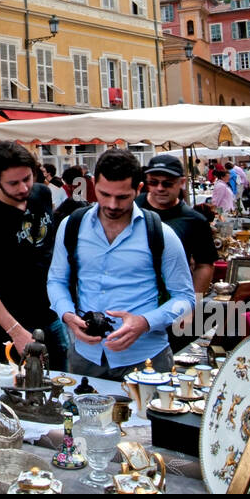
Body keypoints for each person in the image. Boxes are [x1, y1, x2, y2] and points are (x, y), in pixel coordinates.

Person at [48, 148, 194, 380]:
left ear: (138, 189)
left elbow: (185, 299)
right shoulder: (71, 226)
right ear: (94, 184)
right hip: (86, 356)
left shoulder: (161, 234)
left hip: (146, 359)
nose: (112, 205)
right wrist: (67, 315)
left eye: (123, 197)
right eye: (104, 194)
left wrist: (145, 323)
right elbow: (56, 280)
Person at [0, 141, 61, 366]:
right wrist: (15, 331)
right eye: (13, 183)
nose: (23, 188)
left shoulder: (42, 194)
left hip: (49, 316)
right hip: (7, 328)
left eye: (27, 178)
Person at [137, 155, 218, 293]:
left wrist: (192, 306)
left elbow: (204, 265)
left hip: (172, 296)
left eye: (167, 183)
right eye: (154, 182)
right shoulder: (133, 208)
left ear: (181, 182)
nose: (160, 188)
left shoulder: (195, 221)